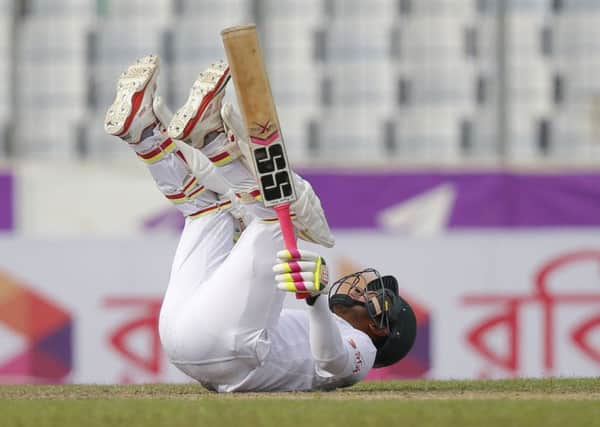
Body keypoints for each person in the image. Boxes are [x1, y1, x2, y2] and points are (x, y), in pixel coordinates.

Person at [104, 54, 416, 392]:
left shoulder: (365, 352)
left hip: (225, 352)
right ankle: (146, 136)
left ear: (385, 329)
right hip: (189, 341)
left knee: (284, 217)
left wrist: (316, 299)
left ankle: (213, 140)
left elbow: (332, 362)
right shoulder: (312, 325)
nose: (362, 288)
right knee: (209, 210)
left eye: (377, 298)